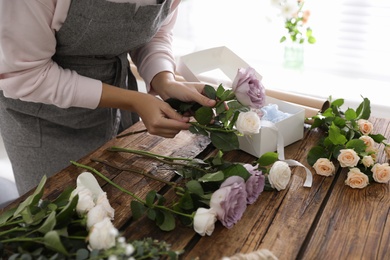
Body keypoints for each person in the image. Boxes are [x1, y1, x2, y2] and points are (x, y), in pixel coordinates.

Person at [0, 0, 216, 195]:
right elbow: (26, 75)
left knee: (121, 205)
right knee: (58, 217)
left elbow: (155, 30)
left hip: (120, 111)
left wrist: (163, 79)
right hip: (44, 123)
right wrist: (133, 100)